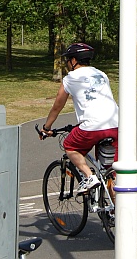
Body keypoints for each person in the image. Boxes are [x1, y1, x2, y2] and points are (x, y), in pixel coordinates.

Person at [41, 43, 118, 194]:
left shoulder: (71, 78)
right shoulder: (101, 74)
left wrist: (47, 128)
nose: (68, 63)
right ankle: (113, 212)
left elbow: (58, 105)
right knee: (109, 172)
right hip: (115, 124)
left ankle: (89, 177)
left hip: (92, 126)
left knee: (70, 146)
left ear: (74, 60)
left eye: (68, 59)